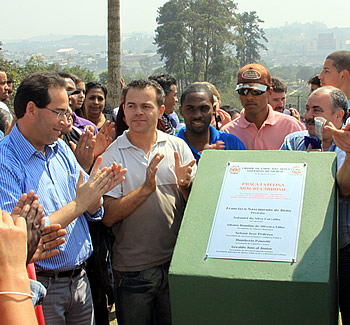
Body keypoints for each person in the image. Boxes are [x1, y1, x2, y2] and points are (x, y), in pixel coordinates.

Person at [0, 71, 127, 325]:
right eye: (59, 112)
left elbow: (91, 206)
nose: (66, 121)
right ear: (31, 109)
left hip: (80, 280)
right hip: (40, 286)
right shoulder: (6, 161)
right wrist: (79, 203)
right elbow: (19, 236)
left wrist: (95, 195)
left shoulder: (61, 150)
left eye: (68, 113)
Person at [101, 79, 196, 325]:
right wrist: (144, 190)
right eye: (131, 106)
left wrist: (186, 188)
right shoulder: (112, 155)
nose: (138, 113)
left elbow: (194, 208)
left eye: (146, 106)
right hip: (133, 271)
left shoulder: (177, 148)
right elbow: (108, 216)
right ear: (123, 109)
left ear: (161, 110)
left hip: (175, 264)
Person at [281, 86, 348, 324]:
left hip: (345, 246)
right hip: (301, 251)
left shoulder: (348, 145)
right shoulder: (293, 143)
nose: (308, 115)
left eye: (316, 110)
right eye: (307, 109)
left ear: (339, 116)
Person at [221, 63, 304, 149]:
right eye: (243, 91)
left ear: (270, 92)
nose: (249, 97)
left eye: (256, 91)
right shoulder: (228, 132)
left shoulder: (290, 127)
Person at [176, 83, 245, 164]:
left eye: (204, 108)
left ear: (214, 109)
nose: (197, 115)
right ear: (181, 111)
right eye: (190, 109)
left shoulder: (232, 144)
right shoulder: (170, 146)